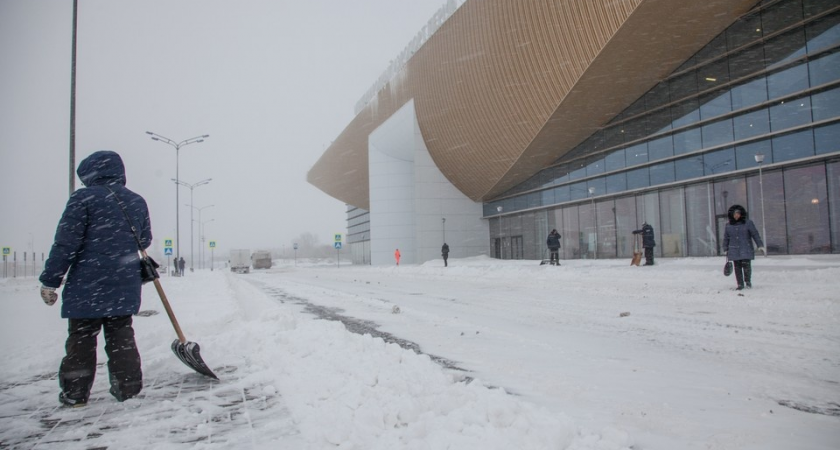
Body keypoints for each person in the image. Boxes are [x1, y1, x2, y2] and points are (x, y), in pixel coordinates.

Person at [39, 151, 151, 407]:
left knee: (81, 338)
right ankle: (128, 390)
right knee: (121, 335)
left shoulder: (83, 198)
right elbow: (143, 241)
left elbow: (65, 243)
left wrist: (51, 280)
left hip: (86, 285)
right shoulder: (136, 201)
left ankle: (75, 394)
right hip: (124, 282)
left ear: (90, 173)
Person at [723, 204, 764, 290]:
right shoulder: (728, 226)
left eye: (738, 213)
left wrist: (760, 245)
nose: (736, 215)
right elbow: (726, 238)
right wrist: (725, 248)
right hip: (734, 250)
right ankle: (740, 284)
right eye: (735, 214)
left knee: (746, 267)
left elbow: (755, 234)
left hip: (746, 249)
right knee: (737, 268)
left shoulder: (748, 223)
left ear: (741, 214)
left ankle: (748, 282)